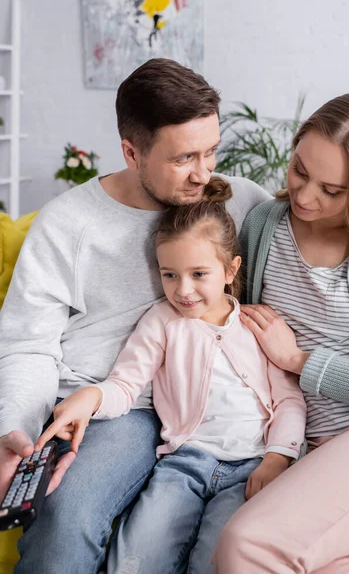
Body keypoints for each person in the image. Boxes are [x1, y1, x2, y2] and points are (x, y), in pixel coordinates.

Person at [0, 59, 270, 574]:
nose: (204, 172)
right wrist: (15, 427)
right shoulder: (70, 223)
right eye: (184, 157)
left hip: (195, 407)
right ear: (132, 152)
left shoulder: (241, 205)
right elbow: (27, 343)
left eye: (212, 151)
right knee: (63, 519)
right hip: (105, 400)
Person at [36, 176, 306, 574]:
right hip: (183, 465)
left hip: (250, 465)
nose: (183, 290)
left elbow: (288, 400)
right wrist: (91, 397)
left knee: (216, 560)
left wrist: (278, 457)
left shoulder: (257, 326)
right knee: (136, 557)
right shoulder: (161, 321)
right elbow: (126, 384)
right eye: (169, 274)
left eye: (199, 274)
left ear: (231, 269)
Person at [213, 92, 349, 574]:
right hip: (301, 446)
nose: (304, 195)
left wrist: (300, 362)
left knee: (245, 545)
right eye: (300, 170)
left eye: (331, 190)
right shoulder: (263, 226)